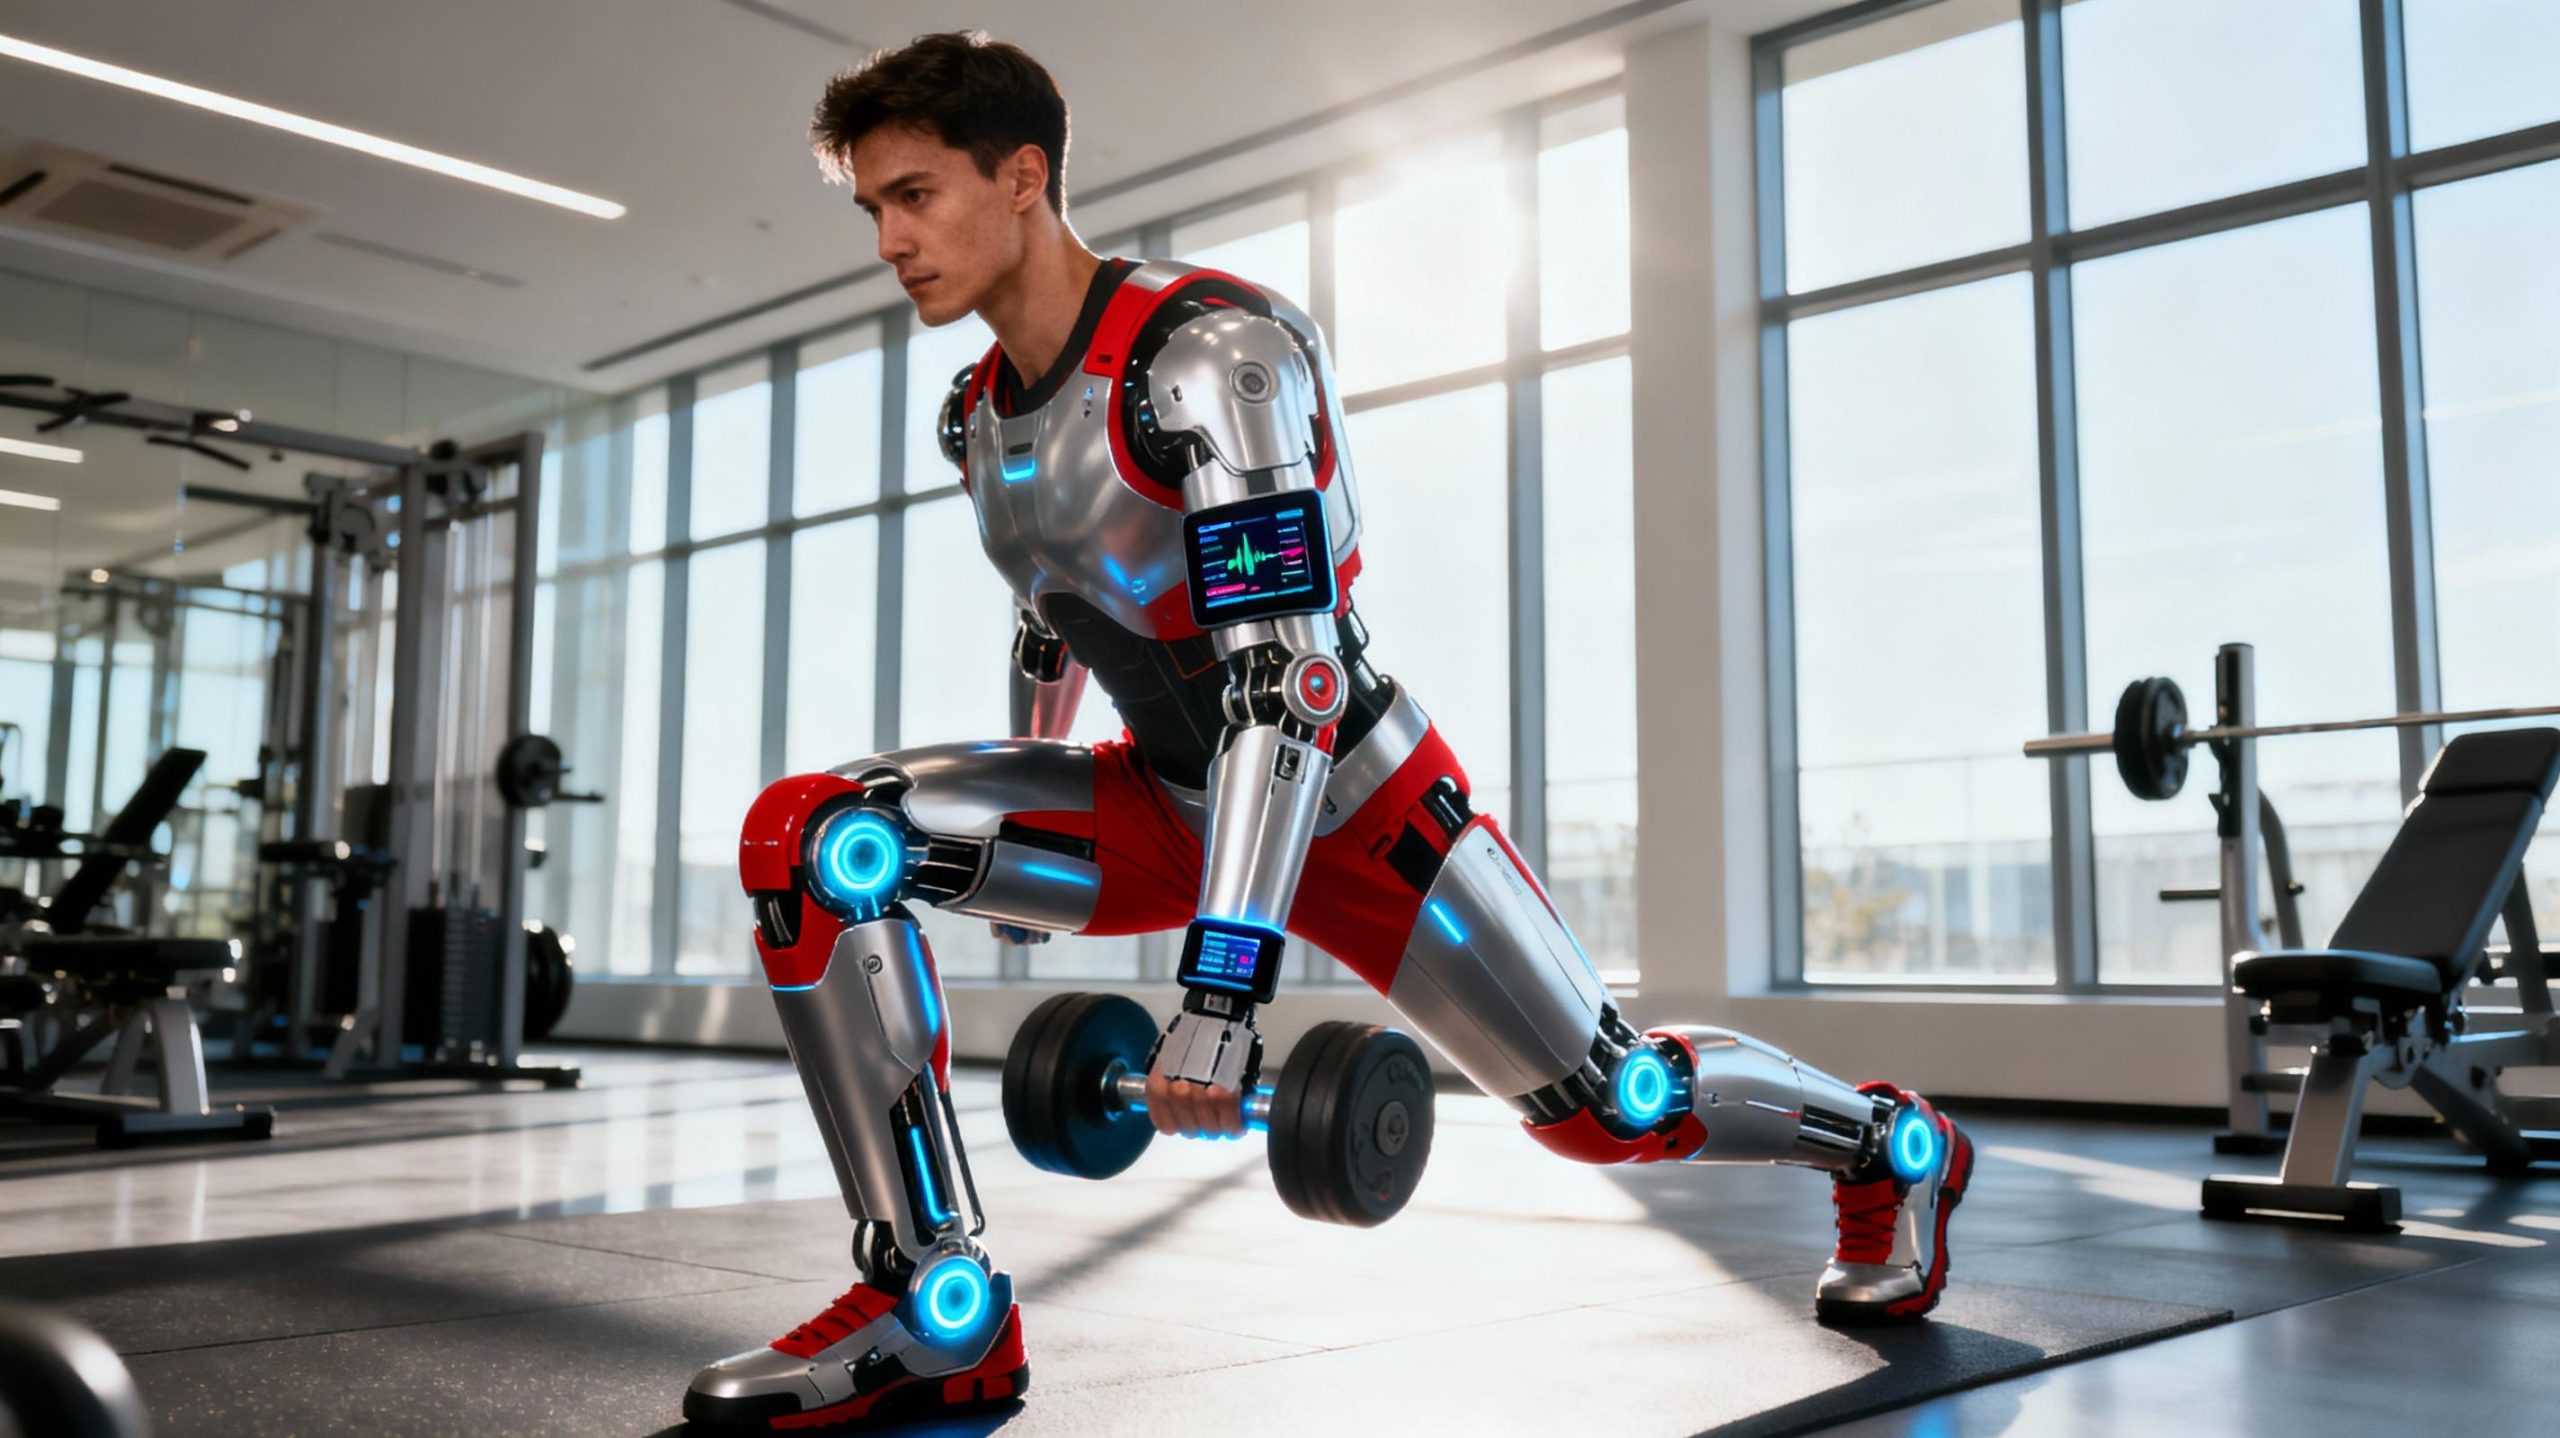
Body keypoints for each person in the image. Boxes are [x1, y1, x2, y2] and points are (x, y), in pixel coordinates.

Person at [685, 31, 1971, 1433]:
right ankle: (931, 1302)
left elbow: (1282, 693)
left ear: (1023, 179)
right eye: (871, 208)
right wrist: (998, 856)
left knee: (1617, 1101)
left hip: (1357, 805)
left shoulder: (1210, 356)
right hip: (1167, 796)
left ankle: (1891, 1146)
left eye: (915, 195)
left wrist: (1223, 998)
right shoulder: (977, 416)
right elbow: (1054, 615)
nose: (889, 239)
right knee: (820, 836)